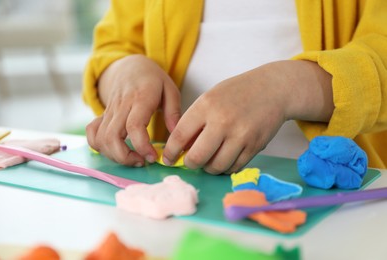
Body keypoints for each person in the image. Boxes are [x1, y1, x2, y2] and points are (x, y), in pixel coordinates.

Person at [83, 0, 387, 174]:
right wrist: (124, 70)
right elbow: (115, 45)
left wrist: (286, 86)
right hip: (179, 204)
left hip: (344, 217)